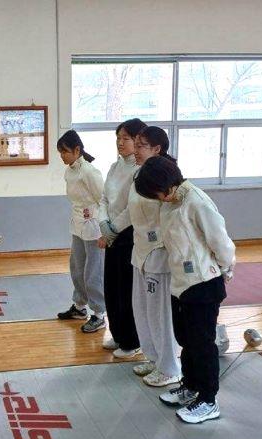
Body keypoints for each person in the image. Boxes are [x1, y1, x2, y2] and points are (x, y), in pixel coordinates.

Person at [134, 156, 235, 424]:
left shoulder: (197, 201)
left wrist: (226, 267)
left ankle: (209, 400)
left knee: (202, 344)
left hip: (204, 283)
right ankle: (190, 386)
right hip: (180, 283)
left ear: (166, 183)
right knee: (185, 339)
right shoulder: (169, 203)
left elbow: (221, 241)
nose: (157, 198)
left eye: (156, 192)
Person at [128, 127, 180, 387]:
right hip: (139, 252)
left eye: (141, 146)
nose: (134, 150)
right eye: (135, 144)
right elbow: (130, 211)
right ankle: (154, 358)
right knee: (142, 309)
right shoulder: (139, 174)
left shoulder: (167, 178)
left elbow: (174, 221)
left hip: (159, 253)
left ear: (157, 149)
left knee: (160, 314)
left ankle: (170, 367)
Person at [98, 118, 146, 358]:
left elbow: (132, 207)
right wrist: (103, 223)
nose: (120, 142)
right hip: (111, 232)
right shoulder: (114, 167)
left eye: (126, 138)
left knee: (127, 289)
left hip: (128, 234)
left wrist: (113, 228)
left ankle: (132, 340)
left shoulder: (140, 170)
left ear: (138, 140)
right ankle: (117, 334)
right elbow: (104, 199)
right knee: (112, 286)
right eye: (118, 138)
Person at [55, 130, 106, 333]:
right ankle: (79, 306)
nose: (62, 156)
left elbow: (103, 201)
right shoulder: (69, 171)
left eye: (64, 152)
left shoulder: (89, 172)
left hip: (94, 227)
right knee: (76, 267)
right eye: (60, 152)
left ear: (77, 150)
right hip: (77, 225)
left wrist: (105, 230)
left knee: (93, 272)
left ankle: (99, 314)